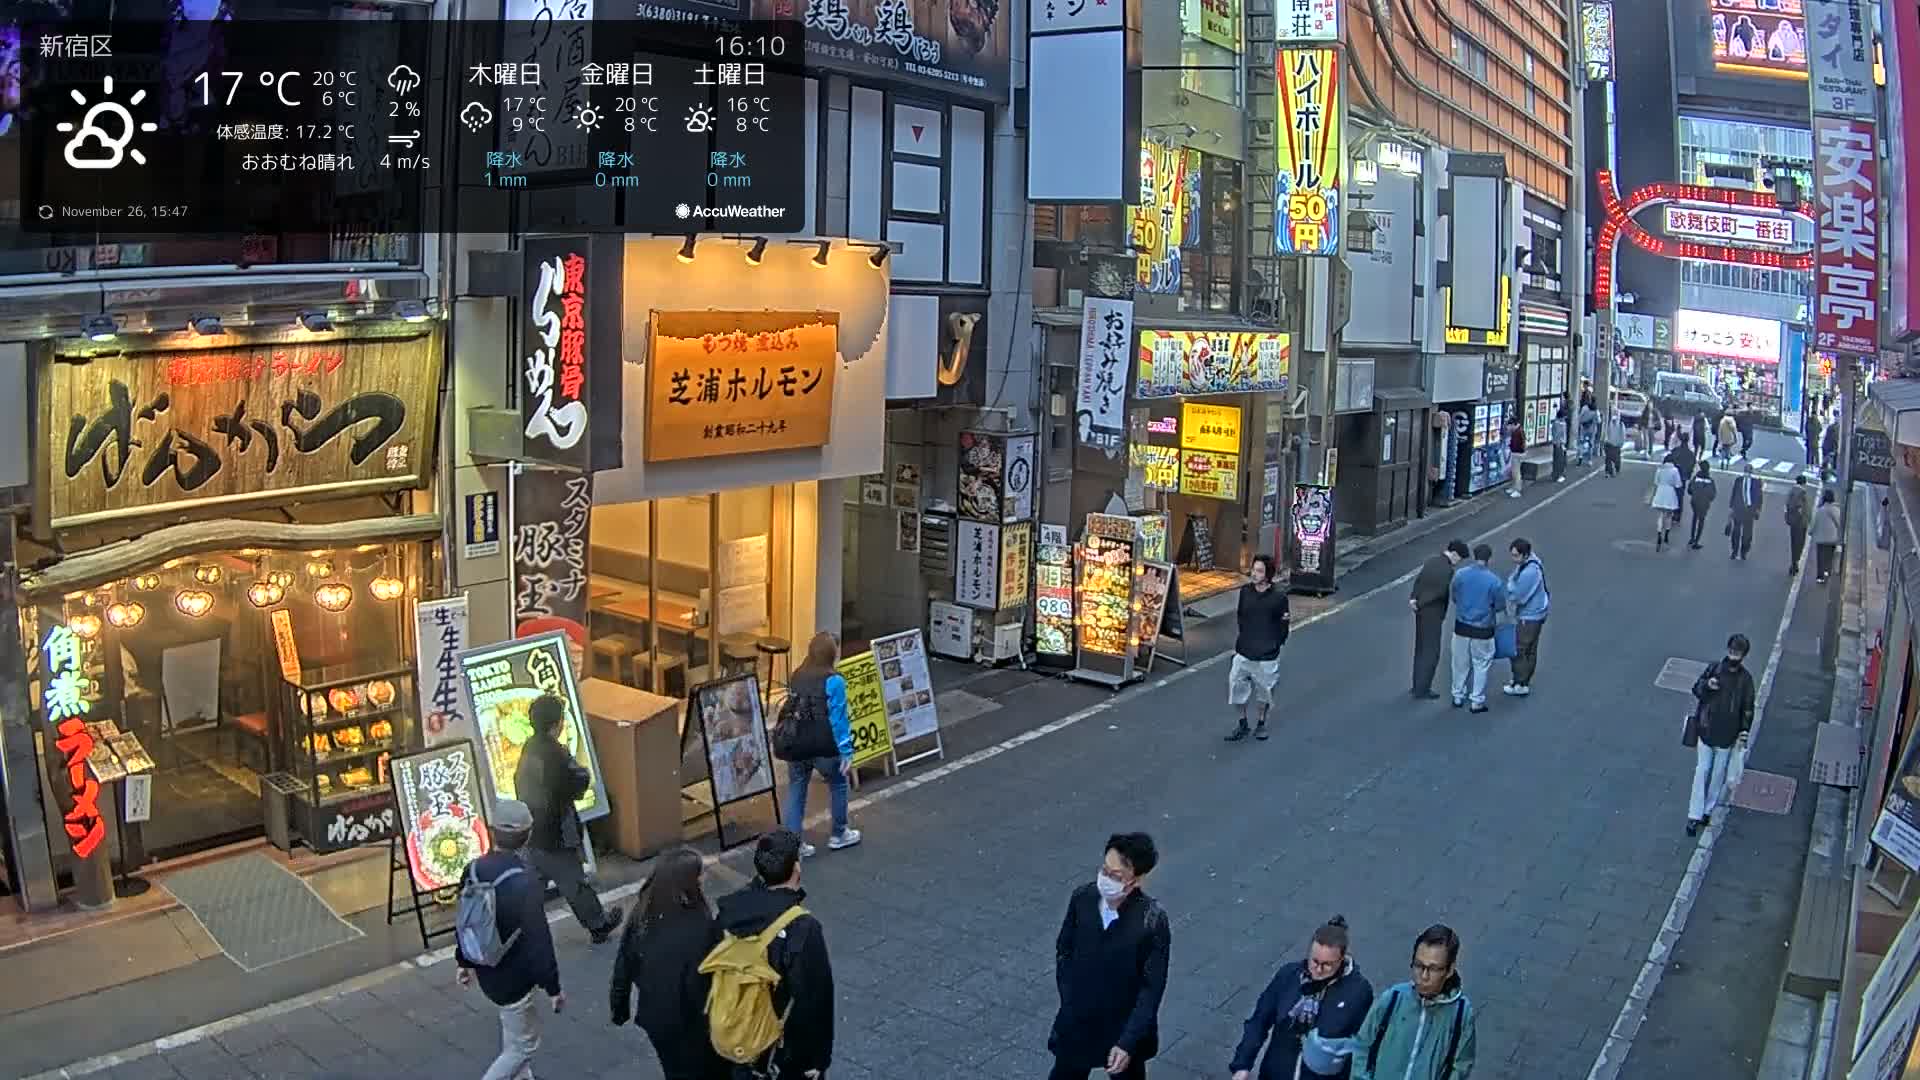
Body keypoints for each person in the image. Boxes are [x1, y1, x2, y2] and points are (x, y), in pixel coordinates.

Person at [456, 800, 566, 1080]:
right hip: (514, 978)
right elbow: (539, 941)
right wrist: (553, 987)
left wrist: (463, 960)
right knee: (523, 1047)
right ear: (527, 835)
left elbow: (466, 918)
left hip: (485, 967)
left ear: (492, 832)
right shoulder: (525, 881)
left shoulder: (473, 869)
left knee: (514, 1031)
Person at [713, 830, 836, 1079]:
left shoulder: (729, 910)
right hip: (783, 1048)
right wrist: (818, 1058)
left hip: (738, 1033)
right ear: (797, 868)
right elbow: (816, 999)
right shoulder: (802, 928)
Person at [1050, 832, 1171, 1080]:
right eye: (1104, 870)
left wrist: (1128, 1042)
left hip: (1121, 1029)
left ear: (1136, 880)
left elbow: (1151, 988)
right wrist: (1070, 995)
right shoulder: (1083, 898)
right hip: (1078, 1020)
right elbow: (1065, 949)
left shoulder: (1151, 922)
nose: (1105, 879)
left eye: (1115, 875)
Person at [609, 848, 730, 1080]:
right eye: (700, 874)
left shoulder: (643, 913)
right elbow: (703, 984)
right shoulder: (700, 926)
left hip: (657, 1018)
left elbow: (624, 964)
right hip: (691, 1023)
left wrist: (619, 1008)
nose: (704, 877)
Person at [514, 694, 624, 942]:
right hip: (555, 831)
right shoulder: (556, 753)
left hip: (530, 831)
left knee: (530, 888)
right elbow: (577, 781)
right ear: (557, 723)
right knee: (574, 883)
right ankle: (598, 924)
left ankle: (517, 934)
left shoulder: (528, 747)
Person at [1230, 916, 1376, 1080]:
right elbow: (1260, 1020)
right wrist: (1243, 1064)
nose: (1318, 970)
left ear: (1342, 960)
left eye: (1327, 964)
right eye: (1314, 961)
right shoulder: (1289, 976)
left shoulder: (1358, 992)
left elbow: (1364, 1044)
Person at [1349, 925, 1478, 1080]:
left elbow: (1460, 1067)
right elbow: (1362, 1046)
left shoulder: (1461, 1014)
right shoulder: (1393, 999)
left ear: (1449, 970)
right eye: (1418, 965)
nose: (1423, 976)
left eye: (1433, 969)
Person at [775, 632, 862, 856]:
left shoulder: (797, 675)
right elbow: (839, 719)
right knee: (838, 784)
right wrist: (847, 751)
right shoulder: (834, 681)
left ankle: (793, 845)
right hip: (826, 745)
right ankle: (839, 833)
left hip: (797, 743)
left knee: (797, 788)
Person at [1686, 634, 1757, 836]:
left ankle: (1706, 810)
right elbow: (1697, 689)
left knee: (1717, 774)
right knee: (1703, 770)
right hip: (1708, 730)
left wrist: (1744, 731)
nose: (1734, 655)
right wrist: (1707, 685)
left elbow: (1748, 708)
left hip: (1725, 734)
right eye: (1732, 651)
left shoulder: (1745, 680)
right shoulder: (1715, 670)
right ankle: (1696, 813)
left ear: (1743, 655)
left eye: (1738, 652)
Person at [1226, 554, 1290, 742]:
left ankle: (1261, 723)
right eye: (1254, 570)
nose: (1255, 574)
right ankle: (1242, 723)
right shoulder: (1245, 592)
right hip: (1245, 651)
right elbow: (1240, 617)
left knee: (1264, 691)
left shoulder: (1279, 597)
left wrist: (1274, 644)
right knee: (1236, 686)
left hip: (1266, 655)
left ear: (1268, 574)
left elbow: (1284, 626)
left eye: (1260, 571)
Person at [1448, 544, 1505, 714]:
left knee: (1459, 663)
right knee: (1481, 664)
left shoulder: (1460, 575)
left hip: (1461, 625)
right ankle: (1477, 700)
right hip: (1483, 628)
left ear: (1474, 555)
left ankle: (1457, 695)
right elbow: (1500, 605)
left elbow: (1454, 596)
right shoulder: (1494, 581)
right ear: (1489, 558)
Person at [1408, 541, 1466, 700]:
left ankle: (1416, 685)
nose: (1458, 562)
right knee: (1431, 651)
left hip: (1420, 611)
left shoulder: (1431, 560)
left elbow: (1419, 580)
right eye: (1459, 559)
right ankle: (1423, 688)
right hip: (1432, 612)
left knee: (1420, 648)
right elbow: (1439, 592)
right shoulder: (1447, 570)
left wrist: (1414, 599)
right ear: (1454, 554)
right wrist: (1422, 602)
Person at [1503, 538, 1549, 698]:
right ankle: (1523, 681)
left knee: (1520, 649)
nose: (1513, 559)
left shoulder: (1529, 572)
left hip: (1529, 616)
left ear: (1525, 554)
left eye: (1516, 556)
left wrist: (1510, 586)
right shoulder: (1531, 563)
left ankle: (1520, 682)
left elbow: (1518, 596)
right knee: (1530, 649)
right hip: (1537, 613)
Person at [1729, 461, 1764, 561]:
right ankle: (1734, 551)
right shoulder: (1738, 480)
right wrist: (1731, 507)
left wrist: (1758, 509)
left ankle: (1744, 551)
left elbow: (1759, 497)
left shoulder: (1756, 482)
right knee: (1736, 531)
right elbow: (1734, 493)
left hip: (1749, 510)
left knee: (1747, 533)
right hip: (1738, 509)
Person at [1651, 457, 1684, 551]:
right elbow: (1678, 484)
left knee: (1660, 515)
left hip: (1660, 492)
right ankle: (1666, 535)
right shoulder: (1675, 470)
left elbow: (1656, 482)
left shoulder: (1659, 469)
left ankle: (1659, 533)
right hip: (1670, 493)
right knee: (1669, 515)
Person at [1811, 488, 1843, 583]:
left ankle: (1820, 577)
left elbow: (1814, 522)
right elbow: (1839, 523)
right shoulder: (1836, 510)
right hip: (1832, 539)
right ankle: (1827, 572)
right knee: (1829, 557)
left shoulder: (1820, 509)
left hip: (1820, 539)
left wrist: (1811, 531)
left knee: (1820, 558)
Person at [1785, 476, 1813, 575]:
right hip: (1801, 523)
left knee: (1794, 543)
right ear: (1804, 483)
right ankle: (1795, 563)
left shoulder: (1791, 491)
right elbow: (1803, 509)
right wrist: (1808, 519)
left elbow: (1787, 505)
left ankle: (1794, 562)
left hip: (1793, 522)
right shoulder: (1802, 493)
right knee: (1800, 543)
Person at [1687, 462, 1718, 550]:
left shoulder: (1696, 478)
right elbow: (1713, 494)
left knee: (1694, 518)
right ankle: (1697, 541)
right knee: (1701, 521)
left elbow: (1689, 490)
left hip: (1694, 501)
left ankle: (1692, 537)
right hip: (1704, 503)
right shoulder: (1710, 481)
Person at [1603, 409, 1626, 477]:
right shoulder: (1610, 423)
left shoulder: (1621, 425)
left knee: (1616, 459)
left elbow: (1623, 435)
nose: (1615, 416)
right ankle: (1608, 472)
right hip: (1609, 444)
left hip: (1617, 445)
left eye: (1616, 414)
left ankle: (1616, 469)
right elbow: (1606, 432)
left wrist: (1621, 443)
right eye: (1614, 414)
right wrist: (1605, 440)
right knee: (1608, 458)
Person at [1506, 419, 1526, 498]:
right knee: (1514, 472)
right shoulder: (1517, 431)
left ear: (1513, 424)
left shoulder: (1519, 431)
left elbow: (1522, 443)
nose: (1508, 427)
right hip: (1516, 453)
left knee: (1516, 473)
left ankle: (1517, 490)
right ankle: (1513, 487)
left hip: (1518, 453)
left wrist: (1520, 451)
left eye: (1509, 425)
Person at [1549, 407, 1569, 483]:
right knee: (1558, 460)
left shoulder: (1561, 423)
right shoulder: (1557, 424)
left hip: (1561, 444)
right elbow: (1557, 435)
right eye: (1564, 417)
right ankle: (1557, 475)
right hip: (1559, 444)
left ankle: (1558, 474)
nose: (1565, 418)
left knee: (1560, 460)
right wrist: (1560, 444)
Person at [1578, 399, 1599, 467]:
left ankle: (1580, 457)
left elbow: (1580, 417)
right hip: (1592, 429)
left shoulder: (1584, 408)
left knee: (1581, 443)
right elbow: (1598, 421)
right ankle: (1589, 460)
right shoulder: (1596, 410)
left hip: (1583, 428)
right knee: (1590, 444)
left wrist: (1581, 423)